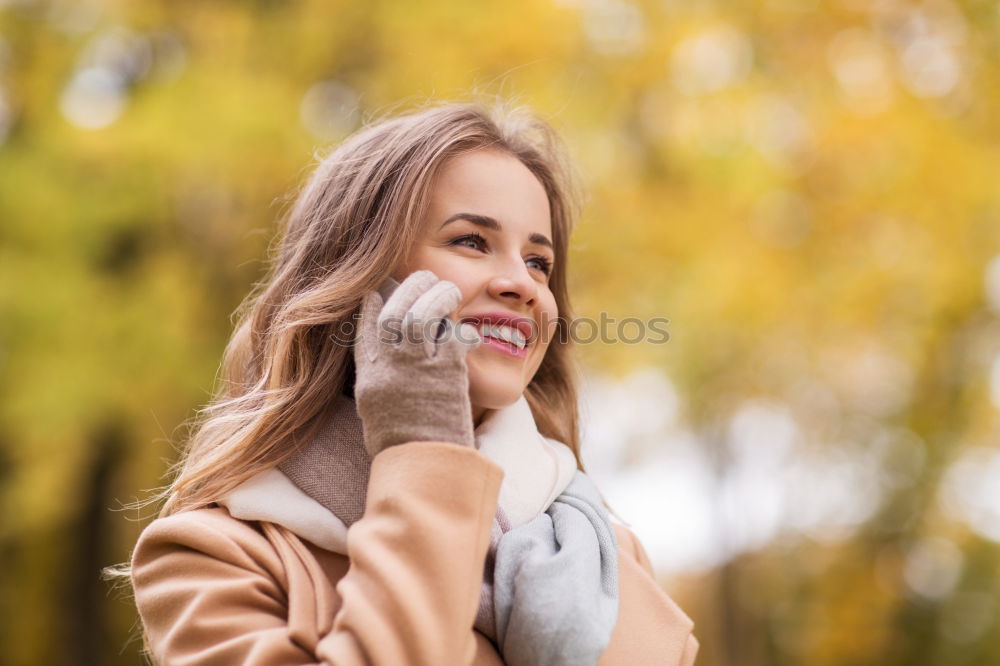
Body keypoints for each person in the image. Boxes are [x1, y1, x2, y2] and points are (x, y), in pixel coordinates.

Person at [122, 100, 699, 665]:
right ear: (356, 282)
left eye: (539, 262)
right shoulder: (212, 557)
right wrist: (424, 448)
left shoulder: (603, 553)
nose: (522, 285)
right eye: (471, 241)